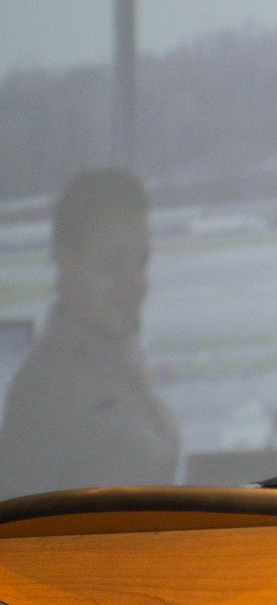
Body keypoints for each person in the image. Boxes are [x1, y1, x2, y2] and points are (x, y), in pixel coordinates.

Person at [0, 168, 181, 498]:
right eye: (114, 263)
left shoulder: (117, 361)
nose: (136, 284)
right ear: (65, 262)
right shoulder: (45, 392)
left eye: (141, 262)